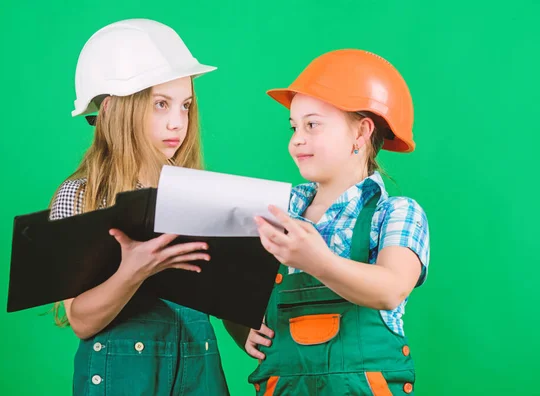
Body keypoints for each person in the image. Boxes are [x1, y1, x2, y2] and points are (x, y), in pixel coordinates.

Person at [48, 19, 230, 395]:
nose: (177, 122)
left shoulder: (196, 195)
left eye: (185, 106)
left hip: (200, 376)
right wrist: (132, 271)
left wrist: (247, 331)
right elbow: (80, 320)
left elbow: (221, 292)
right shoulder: (79, 196)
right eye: (160, 104)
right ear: (115, 109)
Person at [244, 49, 430, 395]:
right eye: (294, 127)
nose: (297, 138)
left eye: (312, 125)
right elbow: (234, 288)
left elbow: (391, 289)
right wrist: (242, 326)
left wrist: (316, 260)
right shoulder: (277, 211)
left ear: (361, 133)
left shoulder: (397, 214)